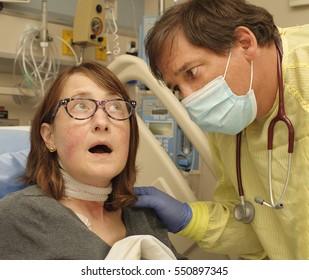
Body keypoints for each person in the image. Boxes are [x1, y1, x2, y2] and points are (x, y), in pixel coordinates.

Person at [133, 0, 309, 259]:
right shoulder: (230, 113)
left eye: (192, 72)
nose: (189, 99)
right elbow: (256, 226)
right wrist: (190, 218)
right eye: (176, 89)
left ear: (244, 43)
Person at [0, 61, 184, 260]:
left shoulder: (143, 216)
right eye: (81, 106)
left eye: (115, 106)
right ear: (49, 136)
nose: (102, 122)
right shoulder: (19, 218)